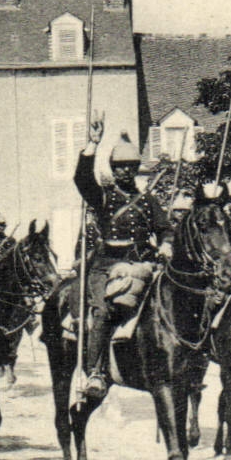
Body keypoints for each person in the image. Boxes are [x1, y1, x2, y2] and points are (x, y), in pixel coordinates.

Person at [70, 118, 170, 404]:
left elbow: (164, 228)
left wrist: (166, 245)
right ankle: (96, 372)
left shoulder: (148, 200)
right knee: (103, 312)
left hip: (142, 263)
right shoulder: (103, 197)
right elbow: (82, 180)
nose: (125, 171)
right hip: (107, 265)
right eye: (119, 166)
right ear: (113, 170)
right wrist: (92, 145)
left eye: (130, 166)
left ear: (136, 169)